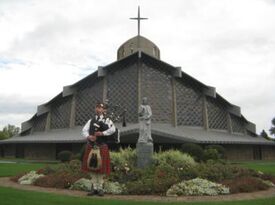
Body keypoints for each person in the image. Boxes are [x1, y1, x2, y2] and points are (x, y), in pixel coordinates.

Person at [81, 102, 116, 196]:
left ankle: (100, 188)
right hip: (92, 146)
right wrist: (88, 137)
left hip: (102, 146)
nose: (98, 109)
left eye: (100, 108)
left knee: (101, 168)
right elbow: (84, 130)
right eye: (96, 107)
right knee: (91, 167)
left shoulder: (107, 120)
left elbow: (113, 130)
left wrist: (102, 133)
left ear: (104, 110)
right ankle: (94, 188)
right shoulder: (91, 120)